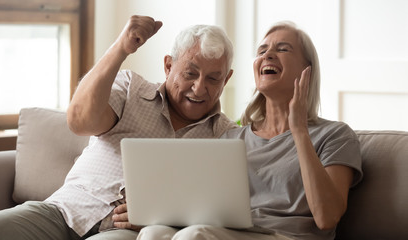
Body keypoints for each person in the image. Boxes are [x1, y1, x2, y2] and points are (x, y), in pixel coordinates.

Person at [0, 15, 237, 240]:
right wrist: (120, 49)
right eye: (190, 73)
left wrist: (163, 216)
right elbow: (80, 121)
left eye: (213, 78)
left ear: (226, 79)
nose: (199, 88)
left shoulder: (227, 137)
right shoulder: (131, 88)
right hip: (66, 210)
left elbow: (229, 211)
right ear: (169, 66)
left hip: (126, 231)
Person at [135, 22, 363, 240]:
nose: (268, 55)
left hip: (289, 236)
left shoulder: (335, 136)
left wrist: (299, 131)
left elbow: (327, 218)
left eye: (283, 49)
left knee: (195, 236)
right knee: (153, 233)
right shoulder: (230, 138)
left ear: (307, 70)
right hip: (232, 234)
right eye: (262, 50)